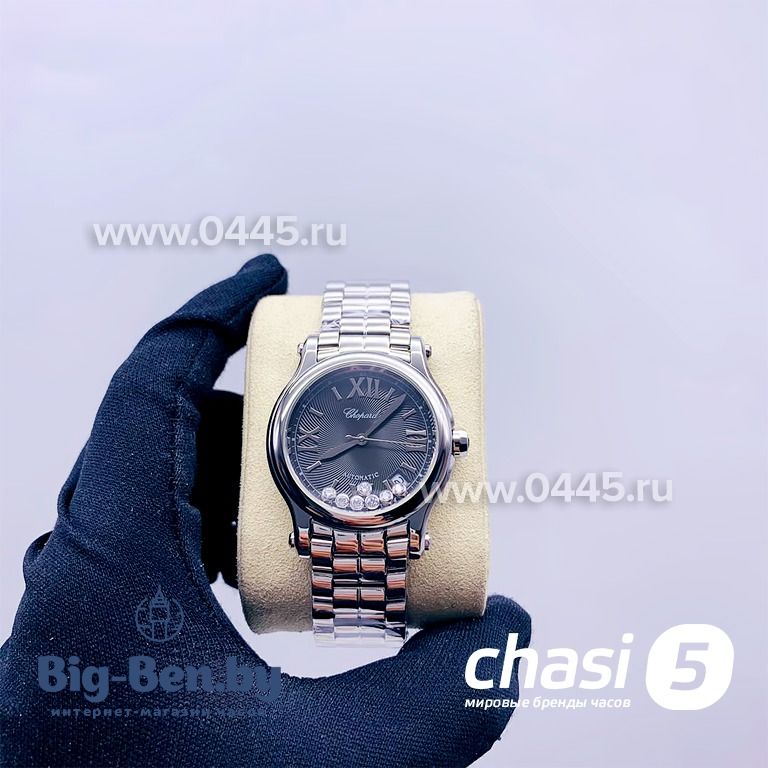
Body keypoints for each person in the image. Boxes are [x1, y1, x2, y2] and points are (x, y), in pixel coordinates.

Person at [0, 255, 531, 767]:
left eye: (371, 438)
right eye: (348, 436)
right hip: (325, 522)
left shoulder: (387, 407)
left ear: (450, 443)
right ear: (282, 441)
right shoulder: (331, 412)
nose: (360, 441)